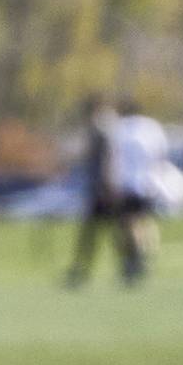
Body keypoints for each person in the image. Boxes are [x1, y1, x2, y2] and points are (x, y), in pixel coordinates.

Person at [63, 95, 127, 287]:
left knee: (98, 233)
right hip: (105, 188)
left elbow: (107, 162)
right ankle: (126, 265)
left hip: (103, 190)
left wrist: (107, 186)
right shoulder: (109, 128)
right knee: (104, 232)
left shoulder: (102, 130)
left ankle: (126, 265)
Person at [110, 99, 170, 283]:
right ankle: (143, 257)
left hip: (127, 183)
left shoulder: (119, 128)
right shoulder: (151, 128)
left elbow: (113, 157)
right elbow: (160, 155)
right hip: (147, 182)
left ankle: (134, 260)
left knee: (128, 223)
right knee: (143, 222)